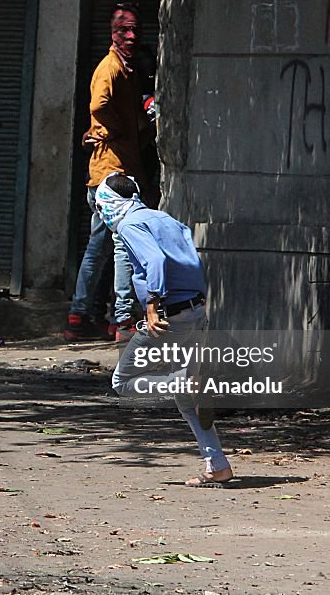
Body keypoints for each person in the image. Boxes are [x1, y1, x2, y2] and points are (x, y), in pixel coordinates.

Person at [100, 173, 234, 486]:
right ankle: (218, 464)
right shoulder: (164, 218)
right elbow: (192, 262)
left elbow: (155, 261)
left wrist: (151, 305)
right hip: (195, 311)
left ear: (109, 202)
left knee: (123, 381)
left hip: (167, 316)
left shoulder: (131, 225)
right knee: (187, 402)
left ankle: (183, 383)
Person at [65, 3, 154, 343]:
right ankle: (122, 319)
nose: (130, 36)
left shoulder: (128, 71)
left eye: (135, 30)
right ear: (112, 34)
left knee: (100, 247)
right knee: (121, 246)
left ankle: (80, 315)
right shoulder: (110, 68)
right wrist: (115, 131)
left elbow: (132, 120)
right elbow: (99, 105)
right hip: (110, 176)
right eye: (123, 31)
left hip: (118, 170)